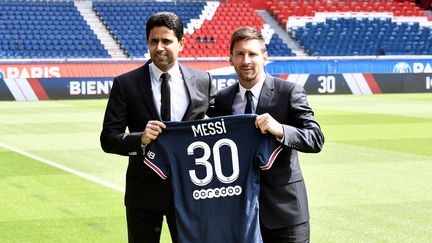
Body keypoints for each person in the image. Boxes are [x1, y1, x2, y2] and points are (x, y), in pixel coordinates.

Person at [100, 12, 216, 243]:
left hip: (191, 190)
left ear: (181, 43)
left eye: (167, 41)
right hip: (143, 193)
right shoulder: (125, 84)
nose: (159, 47)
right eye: (154, 41)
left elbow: (224, 125)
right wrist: (140, 139)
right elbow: (108, 138)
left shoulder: (203, 80)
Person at [207, 27, 324, 242]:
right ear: (230, 59)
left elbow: (315, 138)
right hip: (240, 214)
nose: (246, 60)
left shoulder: (289, 92)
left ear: (265, 57)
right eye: (240, 54)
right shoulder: (222, 100)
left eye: (252, 54)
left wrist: (281, 129)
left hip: (285, 213)